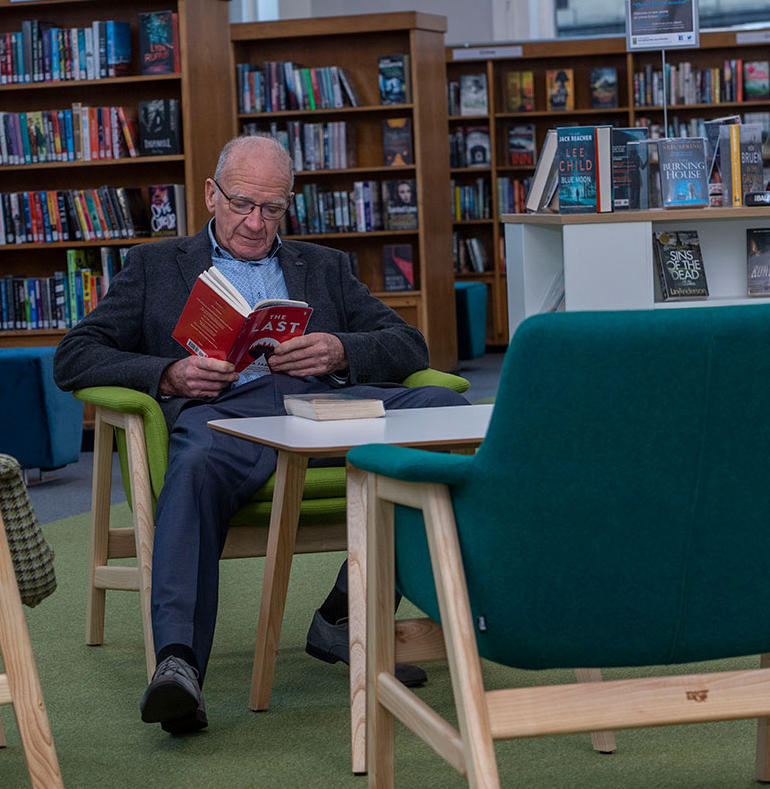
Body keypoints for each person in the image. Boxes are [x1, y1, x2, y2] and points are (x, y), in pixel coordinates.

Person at [53, 134, 466, 736]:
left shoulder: (322, 266)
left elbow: (409, 345)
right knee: (194, 468)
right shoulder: (154, 266)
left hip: (322, 409)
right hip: (225, 418)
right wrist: (168, 374)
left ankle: (344, 614)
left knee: (441, 409)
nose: (255, 222)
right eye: (242, 203)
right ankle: (178, 665)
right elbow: (75, 356)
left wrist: (339, 350)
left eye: (272, 208)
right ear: (210, 195)